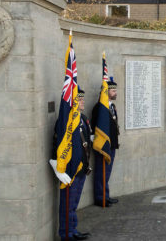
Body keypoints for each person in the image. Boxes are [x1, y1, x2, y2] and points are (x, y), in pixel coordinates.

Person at [51, 86, 92, 241]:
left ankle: (72, 229)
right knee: (67, 204)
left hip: (81, 167)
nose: (82, 102)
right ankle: (66, 233)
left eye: (82, 99)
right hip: (70, 169)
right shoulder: (64, 122)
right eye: (79, 99)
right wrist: (57, 167)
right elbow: (58, 144)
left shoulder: (83, 118)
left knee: (73, 203)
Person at [91, 77, 120, 207]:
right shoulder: (99, 108)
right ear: (106, 92)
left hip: (112, 144)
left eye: (115, 90)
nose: (115, 92)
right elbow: (95, 126)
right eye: (112, 90)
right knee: (101, 172)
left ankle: (105, 195)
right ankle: (100, 198)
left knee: (107, 172)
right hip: (103, 145)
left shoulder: (111, 106)